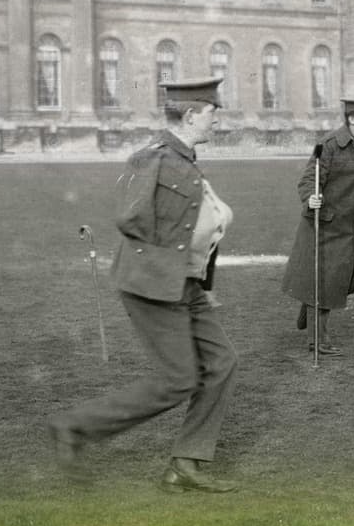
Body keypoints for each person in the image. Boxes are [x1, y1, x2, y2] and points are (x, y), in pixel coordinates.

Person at [48, 77, 239, 493]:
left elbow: (201, 226)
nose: (215, 122)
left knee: (222, 362)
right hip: (153, 285)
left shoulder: (185, 159)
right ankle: (73, 427)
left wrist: (201, 280)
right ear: (190, 115)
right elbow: (130, 217)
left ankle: (184, 465)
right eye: (211, 114)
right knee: (178, 379)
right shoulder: (153, 158)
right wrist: (168, 260)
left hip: (187, 287)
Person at [282, 97, 354, 356]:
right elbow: (307, 180)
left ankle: (309, 304)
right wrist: (309, 198)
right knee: (326, 281)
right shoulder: (329, 146)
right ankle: (318, 340)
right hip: (328, 225)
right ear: (351, 119)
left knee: (352, 279)